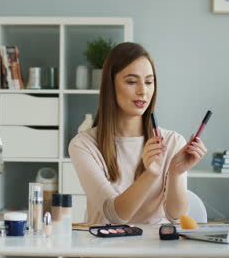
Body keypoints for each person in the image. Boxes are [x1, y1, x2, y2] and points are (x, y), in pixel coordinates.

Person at [69, 42, 207, 225]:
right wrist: (150, 174)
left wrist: (175, 173)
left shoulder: (173, 142)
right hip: (104, 248)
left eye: (149, 82)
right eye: (132, 82)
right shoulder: (84, 145)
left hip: (156, 249)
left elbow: (176, 217)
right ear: (111, 85)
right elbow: (114, 215)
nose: (143, 91)